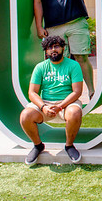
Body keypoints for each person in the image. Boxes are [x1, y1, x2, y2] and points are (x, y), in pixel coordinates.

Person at [33, 0, 94, 99]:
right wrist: (39, 26)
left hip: (76, 22)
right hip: (54, 27)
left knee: (81, 56)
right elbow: (37, 1)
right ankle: (67, 95)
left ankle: (92, 90)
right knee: (60, 61)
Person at [20, 36, 84, 165]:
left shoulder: (73, 65)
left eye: (56, 46)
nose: (53, 50)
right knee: (25, 115)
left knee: (75, 112)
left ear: (63, 48)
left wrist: (60, 106)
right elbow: (32, 93)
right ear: (46, 51)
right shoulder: (40, 67)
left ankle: (69, 146)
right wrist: (43, 107)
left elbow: (77, 91)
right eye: (49, 48)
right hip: (45, 103)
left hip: (67, 103)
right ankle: (38, 145)